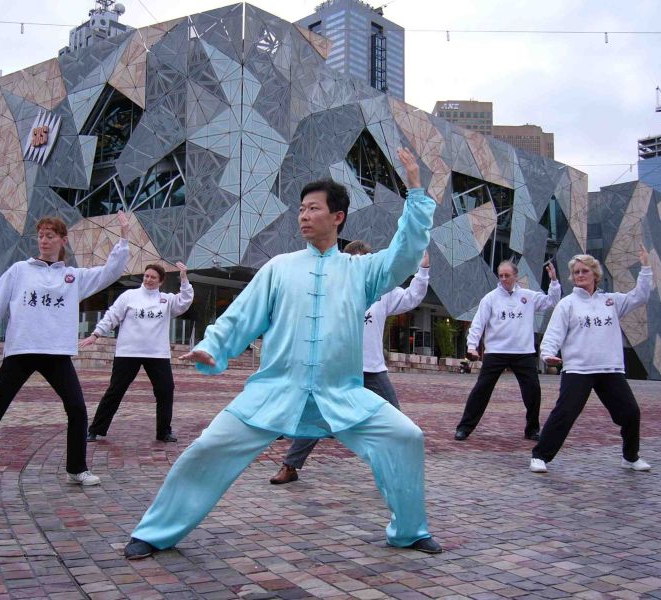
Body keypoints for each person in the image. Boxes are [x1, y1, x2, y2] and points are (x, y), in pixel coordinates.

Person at [123, 148, 442, 560]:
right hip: (275, 390)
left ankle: (409, 531)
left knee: (405, 437)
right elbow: (241, 316)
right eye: (301, 209)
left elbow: (406, 251)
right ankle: (155, 532)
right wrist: (211, 346)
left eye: (313, 208)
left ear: (338, 217)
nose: (303, 216)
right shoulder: (279, 267)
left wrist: (415, 193)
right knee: (207, 448)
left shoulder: (361, 271)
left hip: (341, 393)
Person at [0, 212, 130, 491]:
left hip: (56, 353)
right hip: (22, 349)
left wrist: (124, 237)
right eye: (40, 235)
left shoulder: (72, 276)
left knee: (77, 409)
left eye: (50, 236)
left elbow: (109, 272)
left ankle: (77, 469)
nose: (43, 240)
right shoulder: (20, 270)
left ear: (63, 240)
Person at [269, 243, 431, 485]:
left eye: (364, 260)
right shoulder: (333, 288)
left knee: (395, 422)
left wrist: (423, 270)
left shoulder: (383, 290)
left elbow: (411, 298)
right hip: (338, 367)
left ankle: (393, 473)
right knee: (317, 416)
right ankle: (290, 466)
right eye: (354, 260)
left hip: (372, 369)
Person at [530, 246, 652, 474]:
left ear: (595, 274)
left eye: (584, 271)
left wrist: (645, 267)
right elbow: (553, 333)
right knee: (565, 414)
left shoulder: (611, 302)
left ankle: (630, 456)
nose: (580, 275)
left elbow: (641, 296)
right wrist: (547, 354)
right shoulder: (567, 304)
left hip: (610, 369)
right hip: (578, 370)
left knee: (631, 413)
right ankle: (540, 456)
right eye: (576, 272)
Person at [81, 262, 193, 443]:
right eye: (146, 276)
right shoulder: (129, 296)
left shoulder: (167, 300)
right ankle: (95, 430)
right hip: (128, 352)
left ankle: (164, 432)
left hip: (157, 354)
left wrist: (183, 278)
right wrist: (96, 334)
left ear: (161, 281)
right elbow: (112, 316)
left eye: (153, 277)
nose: (148, 279)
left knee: (166, 390)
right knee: (115, 391)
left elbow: (185, 300)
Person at [454, 259, 560, 441]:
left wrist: (554, 281)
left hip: (523, 353)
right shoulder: (490, 298)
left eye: (507, 275)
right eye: (501, 275)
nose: (503, 279)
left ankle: (532, 429)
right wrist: (472, 346)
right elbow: (478, 324)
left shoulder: (528, 296)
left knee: (533, 391)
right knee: (481, 390)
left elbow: (552, 301)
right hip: (496, 352)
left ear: (516, 276)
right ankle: (464, 427)